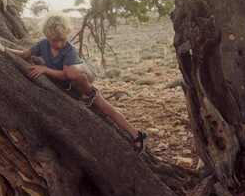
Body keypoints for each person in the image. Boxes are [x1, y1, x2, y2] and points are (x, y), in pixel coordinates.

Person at [8, 14, 147, 153]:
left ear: (67, 34)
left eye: (62, 40)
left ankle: (136, 134)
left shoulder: (69, 50)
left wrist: (45, 69)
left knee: (106, 107)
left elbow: (65, 75)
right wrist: (2, 48)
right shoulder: (43, 45)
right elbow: (24, 54)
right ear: (47, 36)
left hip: (82, 84)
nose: (59, 44)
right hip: (68, 87)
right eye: (54, 41)